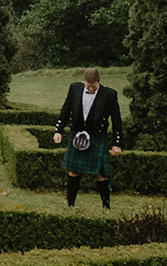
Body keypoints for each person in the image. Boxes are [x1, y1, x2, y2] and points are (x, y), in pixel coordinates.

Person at [53, 67, 124, 208]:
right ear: (83, 81)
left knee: (101, 174)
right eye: (88, 86)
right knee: (73, 171)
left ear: (99, 82)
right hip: (78, 135)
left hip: (97, 136)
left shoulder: (109, 94)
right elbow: (65, 110)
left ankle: (106, 207)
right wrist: (58, 131)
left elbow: (117, 121)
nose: (91, 89)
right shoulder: (74, 88)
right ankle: (70, 205)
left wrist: (117, 143)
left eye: (94, 87)